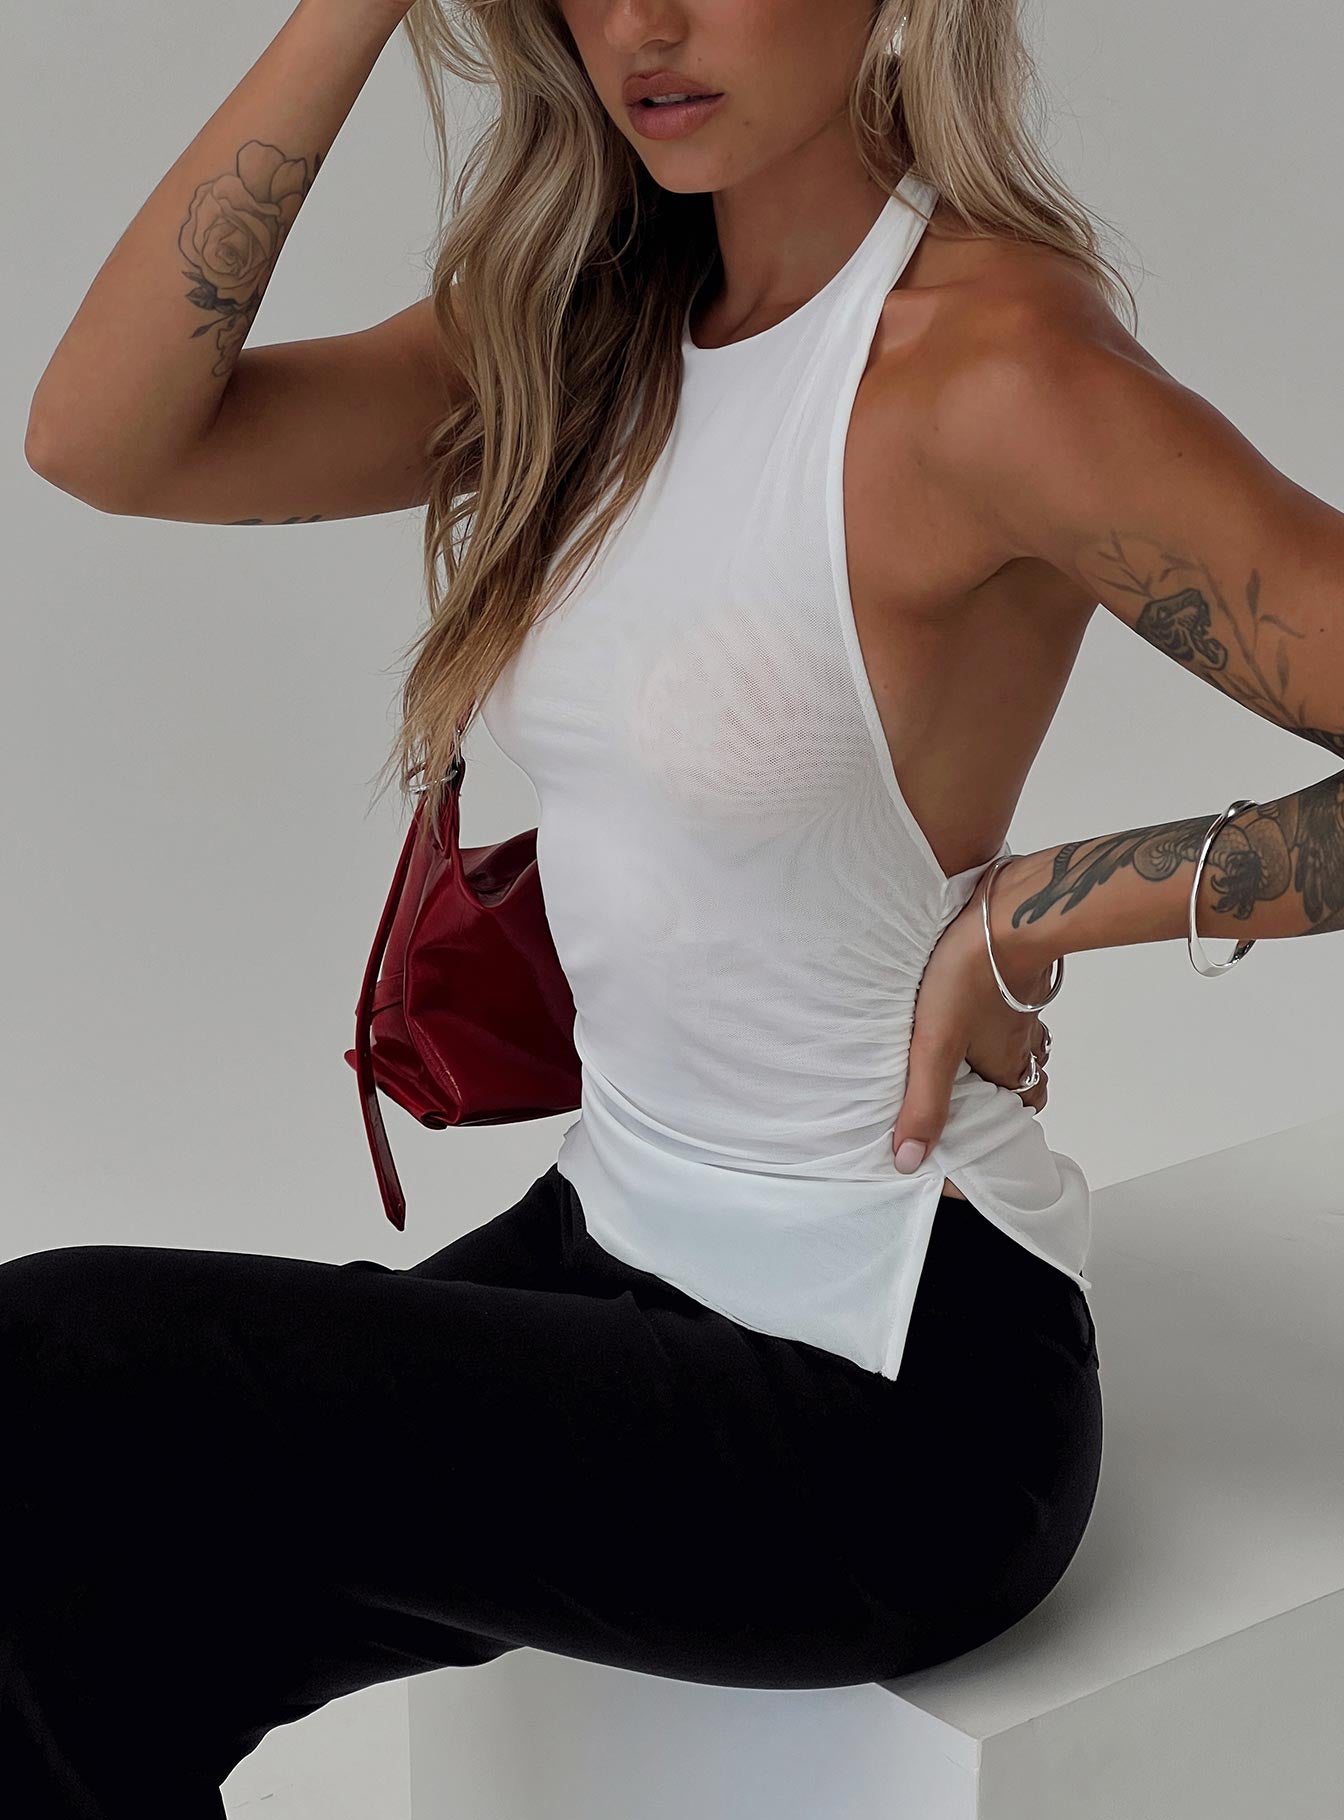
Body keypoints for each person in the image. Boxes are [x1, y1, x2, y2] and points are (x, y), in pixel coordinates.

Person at [16, 0, 1344, 1812]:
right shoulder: (585, 331)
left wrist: (1033, 913)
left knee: (55, 1377)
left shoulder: (994, 373)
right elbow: (108, 442)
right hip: (618, 1237)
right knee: (75, 1612)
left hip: (890, 1389)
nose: (643, 22)